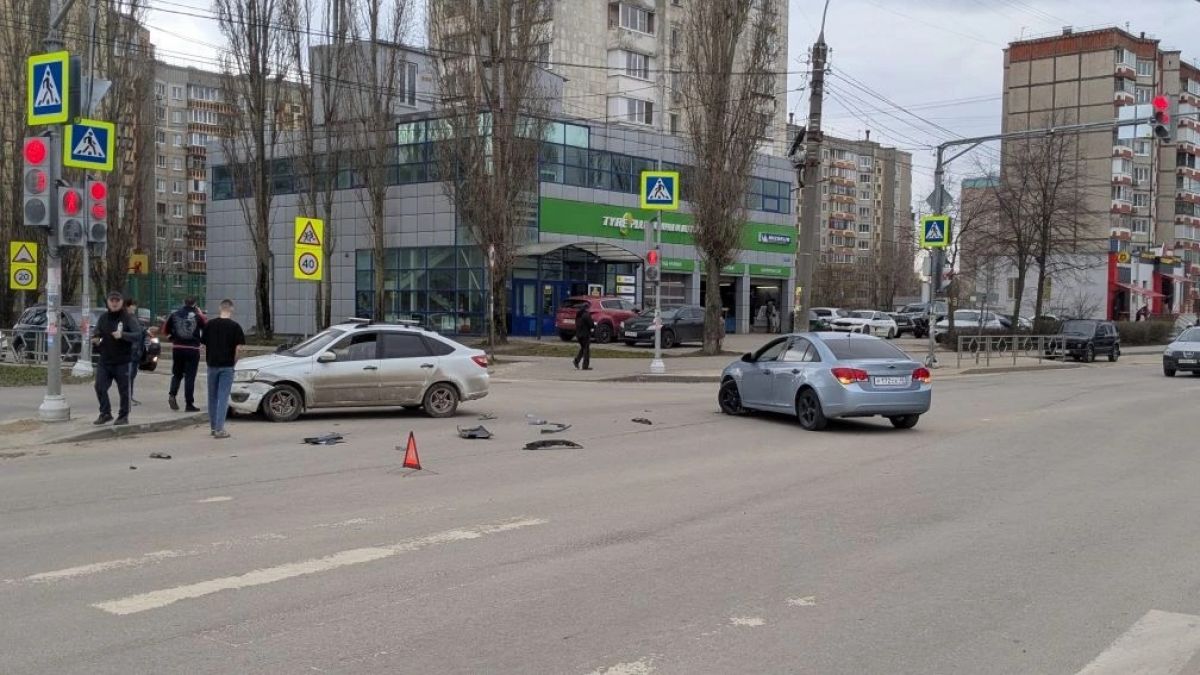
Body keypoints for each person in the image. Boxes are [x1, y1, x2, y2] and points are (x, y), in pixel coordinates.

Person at [91, 291, 140, 426]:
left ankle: (123, 416)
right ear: (107, 302)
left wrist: (123, 335)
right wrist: (96, 339)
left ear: (121, 302)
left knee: (124, 390)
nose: (114, 303)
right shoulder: (103, 318)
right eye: (111, 300)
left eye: (117, 300)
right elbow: (97, 332)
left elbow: (137, 335)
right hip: (105, 360)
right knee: (99, 386)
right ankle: (105, 413)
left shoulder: (128, 318)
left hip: (123, 361)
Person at [202, 298, 245, 439]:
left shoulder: (209, 325)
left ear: (220, 308)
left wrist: (208, 359)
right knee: (223, 397)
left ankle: (213, 427)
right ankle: (220, 429)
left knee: (212, 397)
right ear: (232, 309)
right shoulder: (235, 327)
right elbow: (238, 349)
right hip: (227, 366)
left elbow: (203, 346)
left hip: (212, 365)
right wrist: (234, 362)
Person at [162, 296, 206, 413]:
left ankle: (172, 394)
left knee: (177, 374)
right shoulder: (197, 316)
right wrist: (202, 342)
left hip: (178, 348)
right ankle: (189, 404)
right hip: (192, 349)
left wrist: (172, 338)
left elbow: (165, 330)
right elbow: (206, 327)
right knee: (190, 377)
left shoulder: (174, 314)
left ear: (183, 302)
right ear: (195, 304)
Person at [123, 298, 145, 406]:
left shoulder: (132, 317)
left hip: (135, 350)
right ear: (128, 306)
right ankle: (127, 398)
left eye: (135, 305)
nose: (135, 308)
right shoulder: (127, 318)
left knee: (132, 374)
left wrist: (145, 331)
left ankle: (129, 396)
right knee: (129, 374)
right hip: (130, 350)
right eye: (133, 305)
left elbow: (138, 331)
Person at [573, 304, 594, 371]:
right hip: (585, 335)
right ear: (586, 308)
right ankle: (585, 366)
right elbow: (591, 324)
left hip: (578, 335)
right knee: (586, 350)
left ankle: (576, 361)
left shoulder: (578, 315)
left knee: (583, 348)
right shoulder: (586, 315)